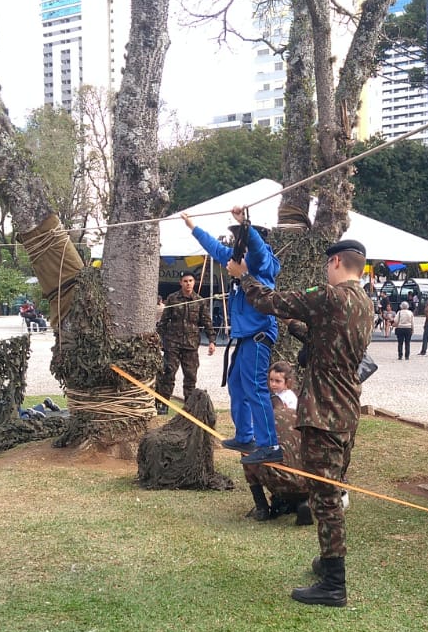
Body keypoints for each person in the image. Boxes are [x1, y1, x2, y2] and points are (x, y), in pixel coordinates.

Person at [228, 237, 374, 608]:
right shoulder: (364, 303)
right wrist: (296, 326)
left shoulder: (330, 296)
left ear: (337, 261)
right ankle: (328, 562)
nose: (326, 271)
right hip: (346, 410)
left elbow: (268, 301)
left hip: (323, 414)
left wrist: (243, 277)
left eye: (328, 265)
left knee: (324, 497)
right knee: (332, 489)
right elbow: (327, 341)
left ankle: (334, 585)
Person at [181, 206, 282, 463]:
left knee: (256, 388)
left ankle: (270, 445)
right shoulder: (239, 258)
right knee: (237, 384)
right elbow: (215, 248)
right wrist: (193, 227)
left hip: (259, 335)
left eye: (242, 241)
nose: (239, 246)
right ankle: (245, 435)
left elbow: (257, 248)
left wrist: (245, 225)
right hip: (247, 337)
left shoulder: (260, 261)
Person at [156, 272, 216, 406]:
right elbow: (164, 321)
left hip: (191, 344)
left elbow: (207, 322)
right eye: (185, 281)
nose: (188, 284)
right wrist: (158, 339)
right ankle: (163, 404)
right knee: (168, 373)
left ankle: (189, 406)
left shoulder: (199, 301)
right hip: (173, 344)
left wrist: (212, 341)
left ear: (194, 282)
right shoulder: (172, 298)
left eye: (190, 281)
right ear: (180, 283)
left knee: (190, 377)